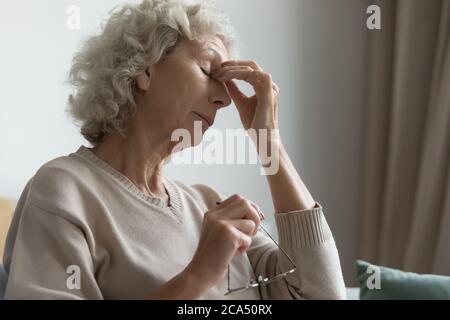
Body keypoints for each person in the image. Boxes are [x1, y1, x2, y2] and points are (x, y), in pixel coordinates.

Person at [3, 0, 346, 299]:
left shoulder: (210, 204)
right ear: (145, 70)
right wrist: (197, 276)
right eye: (208, 70)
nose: (225, 98)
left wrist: (268, 141)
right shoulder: (64, 189)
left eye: (226, 85)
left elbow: (324, 294)